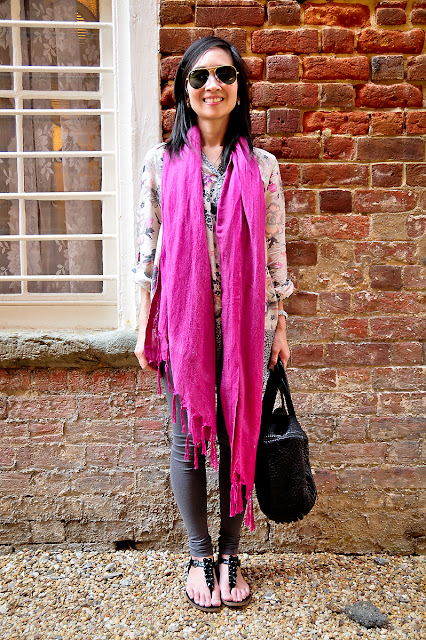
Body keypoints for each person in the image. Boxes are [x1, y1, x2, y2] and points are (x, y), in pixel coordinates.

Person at [133, 36, 294, 612]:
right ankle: (199, 555)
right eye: (199, 76)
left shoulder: (263, 168)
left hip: (247, 325)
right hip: (183, 325)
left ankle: (230, 555)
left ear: (239, 89)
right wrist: (143, 325)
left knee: (236, 435)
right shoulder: (160, 163)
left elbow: (274, 253)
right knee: (188, 442)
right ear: (184, 91)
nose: (212, 86)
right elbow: (147, 252)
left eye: (225, 75)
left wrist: (279, 325)